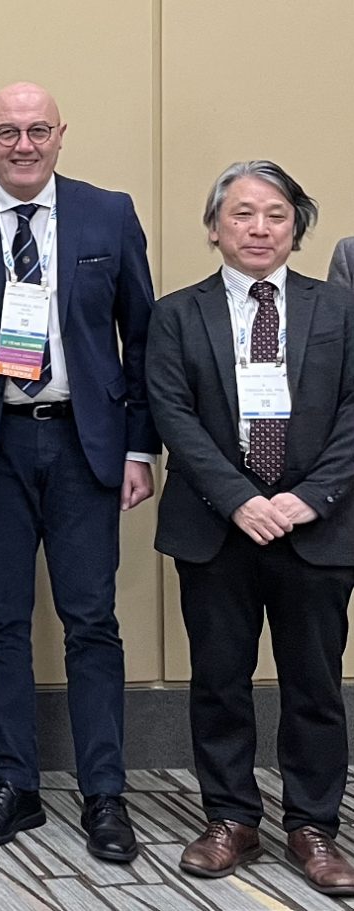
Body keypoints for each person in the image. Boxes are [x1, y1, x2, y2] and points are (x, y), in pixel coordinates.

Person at [0, 82, 155, 861]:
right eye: (8, 132)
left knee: (92, 622)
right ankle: (13, 782)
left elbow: (142, 335)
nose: (23, 145)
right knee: (0, 619)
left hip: (86, 445)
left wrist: (139, 447)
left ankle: (104, 792)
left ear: (61, 134)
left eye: (38, 130)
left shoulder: (107, 213)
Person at [149, 161, 354, 897]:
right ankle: (229, 818)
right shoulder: (176, 313)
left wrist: (311, 497)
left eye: (276, 214)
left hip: (316, 528)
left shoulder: (340, 309)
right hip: (215, 526)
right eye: (241, 214)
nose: (259, 228)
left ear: (297, 228)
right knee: (219, 680)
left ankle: (314, 826)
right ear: (214, 228)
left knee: (314, 684)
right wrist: (240, 498)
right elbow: (173, 413)